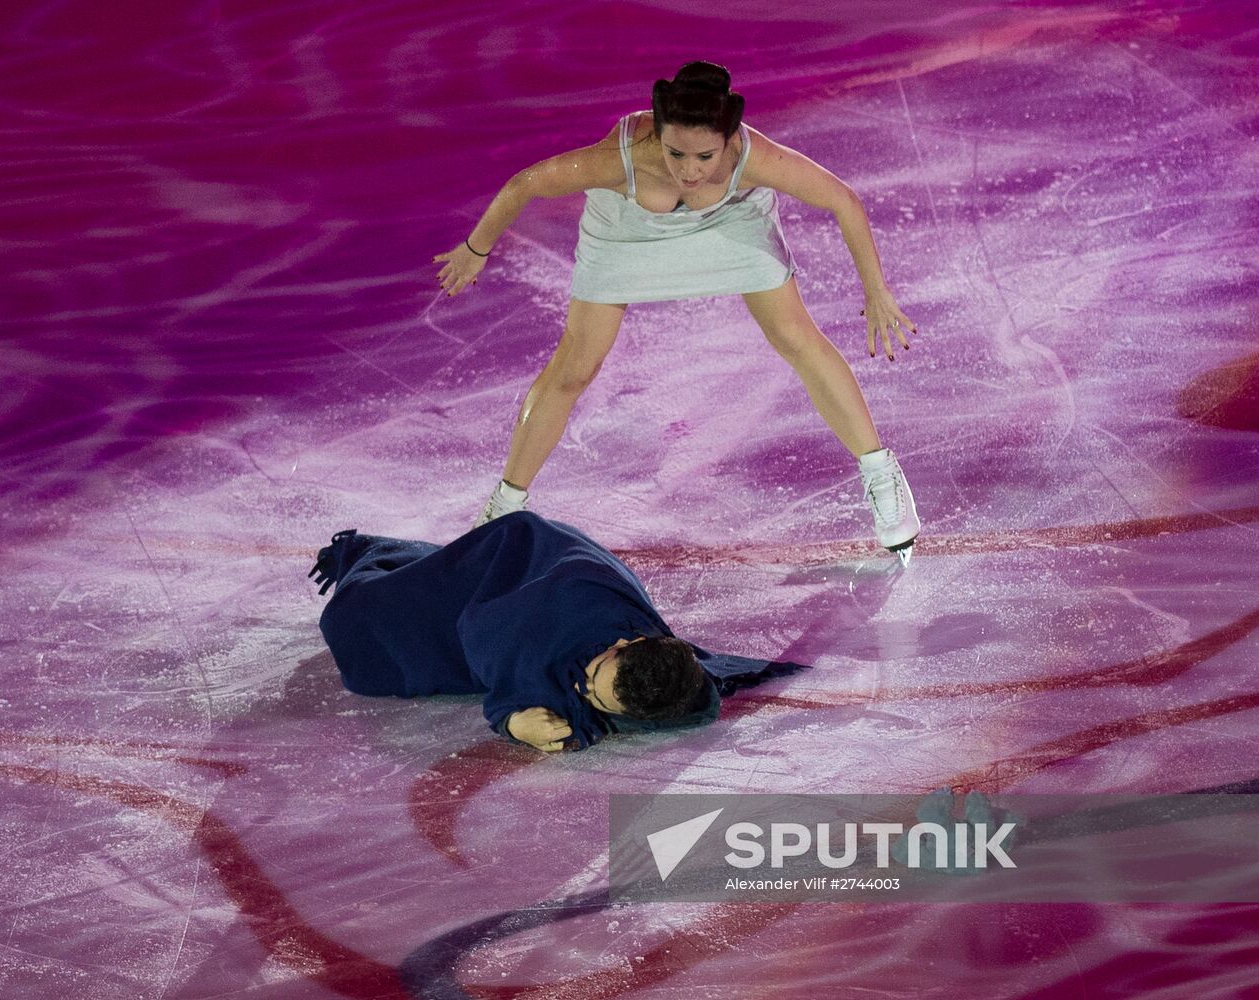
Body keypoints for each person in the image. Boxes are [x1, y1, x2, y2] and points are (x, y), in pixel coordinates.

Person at [433, 60, 922, 563]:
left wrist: (876, 291)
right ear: (658, 136)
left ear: (730, 140)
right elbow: (524, 185)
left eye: (704, 155)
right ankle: (504, 507)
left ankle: (881, 475)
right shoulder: (618, 160)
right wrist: (476, 249)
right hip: (626, 231)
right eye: (675, 152)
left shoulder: (757, 160)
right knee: (575, 367)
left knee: (796, 337)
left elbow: (843, 200)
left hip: (730, 221)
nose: (688, 170)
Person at [309, 512, 803, 751]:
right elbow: (490, 648)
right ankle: (373, 555)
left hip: (546, 567)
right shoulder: (529, 627)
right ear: (625, 644)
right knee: (357, 625)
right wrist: (513, 721)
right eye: (593, 678)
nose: (584, 689)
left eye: (597, 697)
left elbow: (692, 705)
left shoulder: (660, 660)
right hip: (490, 581)